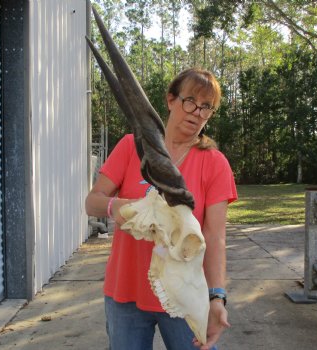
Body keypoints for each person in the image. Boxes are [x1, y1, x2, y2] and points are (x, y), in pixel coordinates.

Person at [85, 68, 237, 350]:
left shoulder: (214, 163)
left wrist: (217, 296)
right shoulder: (132, 146)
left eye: (207, 107)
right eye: (190, 101)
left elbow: (214, 236)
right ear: (170, 100)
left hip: (184, 295)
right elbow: (92, 201)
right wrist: (115, 206)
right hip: (125, 291)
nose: (196, 113)